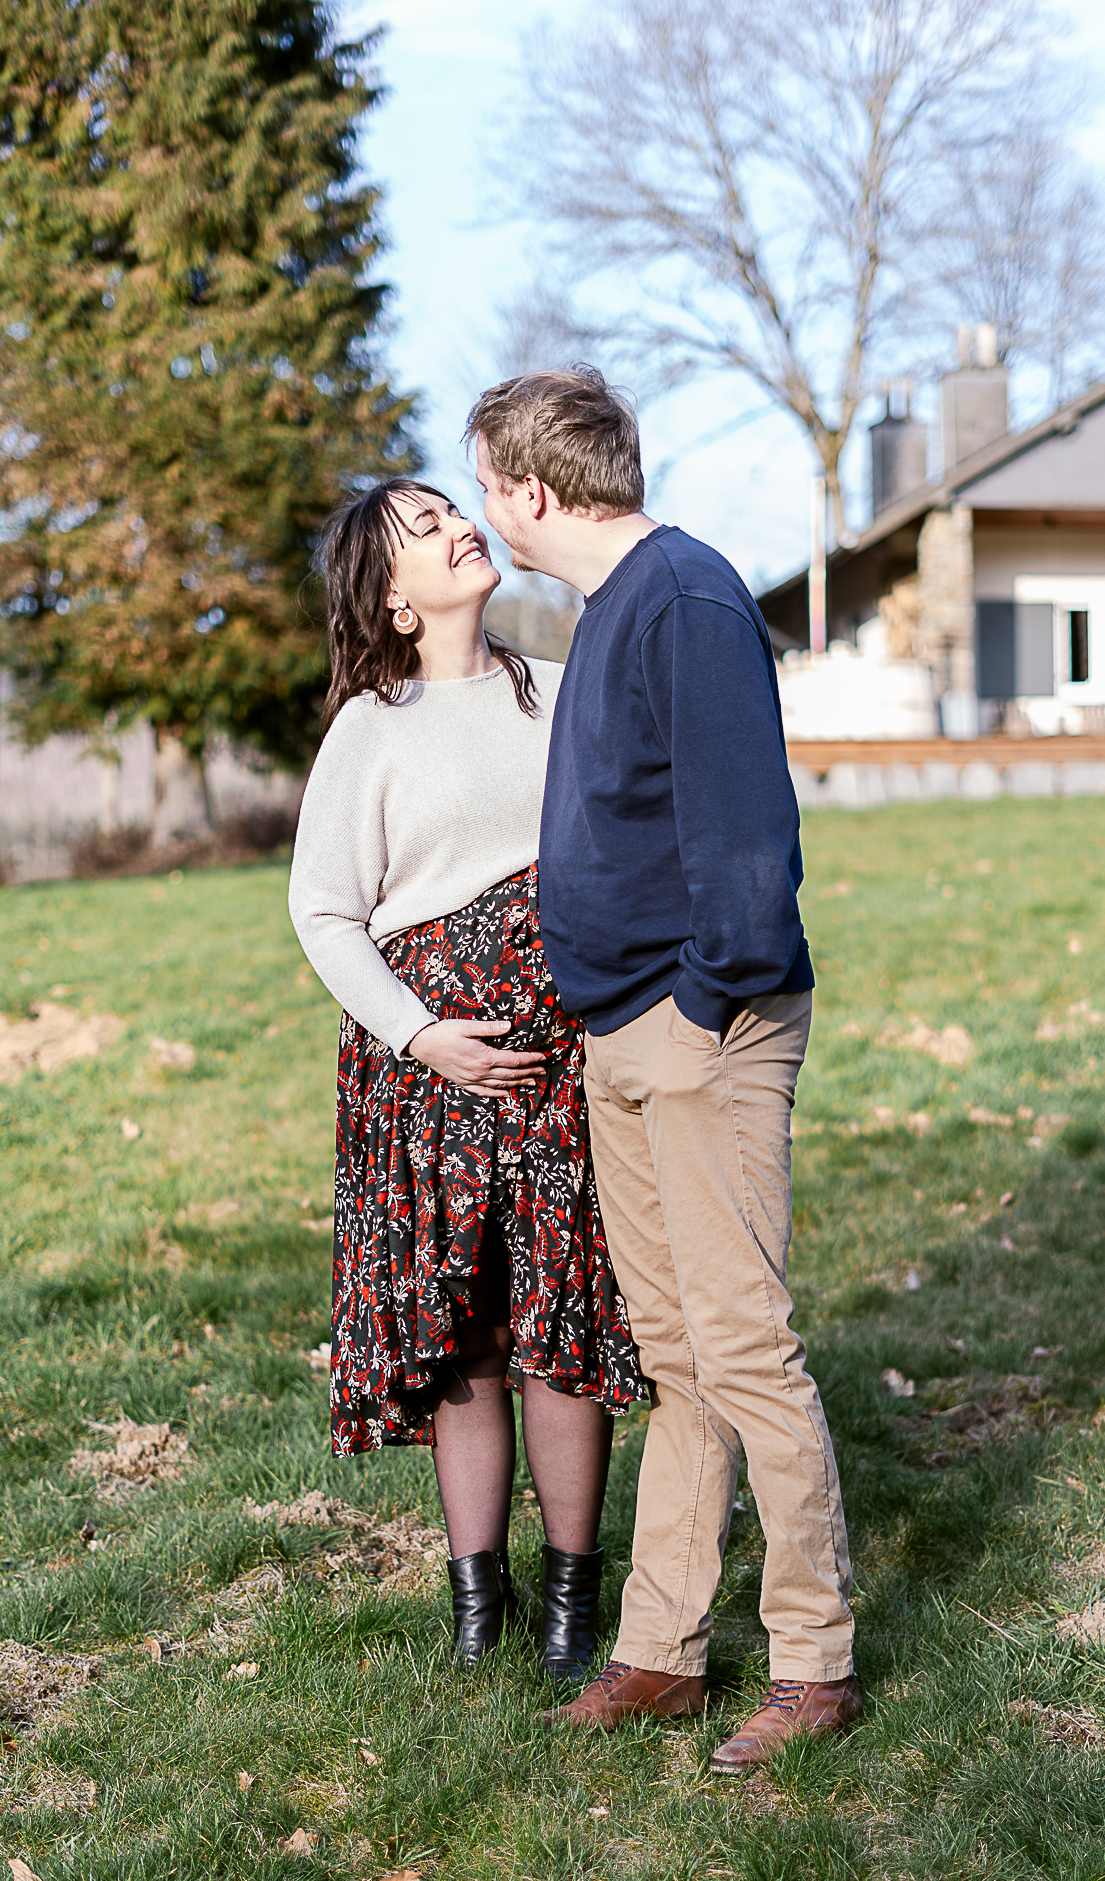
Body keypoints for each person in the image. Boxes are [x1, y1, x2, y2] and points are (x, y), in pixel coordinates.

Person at [464, 368, 861, 1771]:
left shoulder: (684, 596)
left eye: (484, 485)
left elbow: (747, 833)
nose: (483, 510)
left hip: (703, 1026)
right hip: (618, 1032)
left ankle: (813, 1665)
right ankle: (660, 1653)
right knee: (679, 1356)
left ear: (527, 491)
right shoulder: (605, 606)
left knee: (744, 1346)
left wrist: (701, 1009)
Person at [288, 477, 644, 1681]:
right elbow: (324, 911)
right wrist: (418, 1030)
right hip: (427, 1075)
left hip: (560, 1061)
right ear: (392, 597)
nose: (459, 527)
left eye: (456, 509)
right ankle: (477, 1603)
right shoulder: (370, 729)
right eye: (426, 528)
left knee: (562, 1328)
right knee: (467, 1343)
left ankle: (569, 1608)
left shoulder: (557, 688)